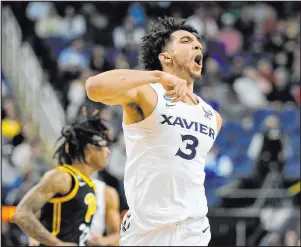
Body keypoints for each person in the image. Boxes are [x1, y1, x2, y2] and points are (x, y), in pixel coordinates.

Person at [86, 16, 223, 246]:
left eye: (198, 42)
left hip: (193, 229)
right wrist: (158, 76)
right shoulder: (148, 94)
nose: (197, 45)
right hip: (145, 232)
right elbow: (93, 88)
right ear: (165, 56)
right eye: (186, 40)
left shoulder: (212, 117)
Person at [13, 118, 111, 246]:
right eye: (104, 147)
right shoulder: (63, 177)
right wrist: (56, 243)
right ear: (89, 150)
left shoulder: (89, 184)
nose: (108, 152)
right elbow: (22, 213)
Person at [28, 179, 121, 246]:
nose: (107, 151)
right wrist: (34, 239)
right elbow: (29, 217)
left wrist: (102, 241)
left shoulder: (105, 192)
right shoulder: (55, 182)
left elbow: (117, 235)